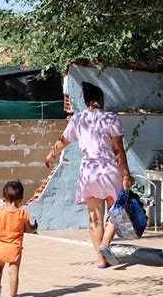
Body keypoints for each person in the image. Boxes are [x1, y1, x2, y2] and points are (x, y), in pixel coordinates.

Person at [45, 81, 134, 268]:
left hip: (88, 173)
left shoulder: (78, 119)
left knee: (95, 217)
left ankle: (101, 261)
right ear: (100, 99)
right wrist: (126, 174)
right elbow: (118, 150)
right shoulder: (110, 118)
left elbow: (62, 141)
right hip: (109, 171)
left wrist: (51, 155)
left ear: (86, 102)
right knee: (118, 212)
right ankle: (104, 245)